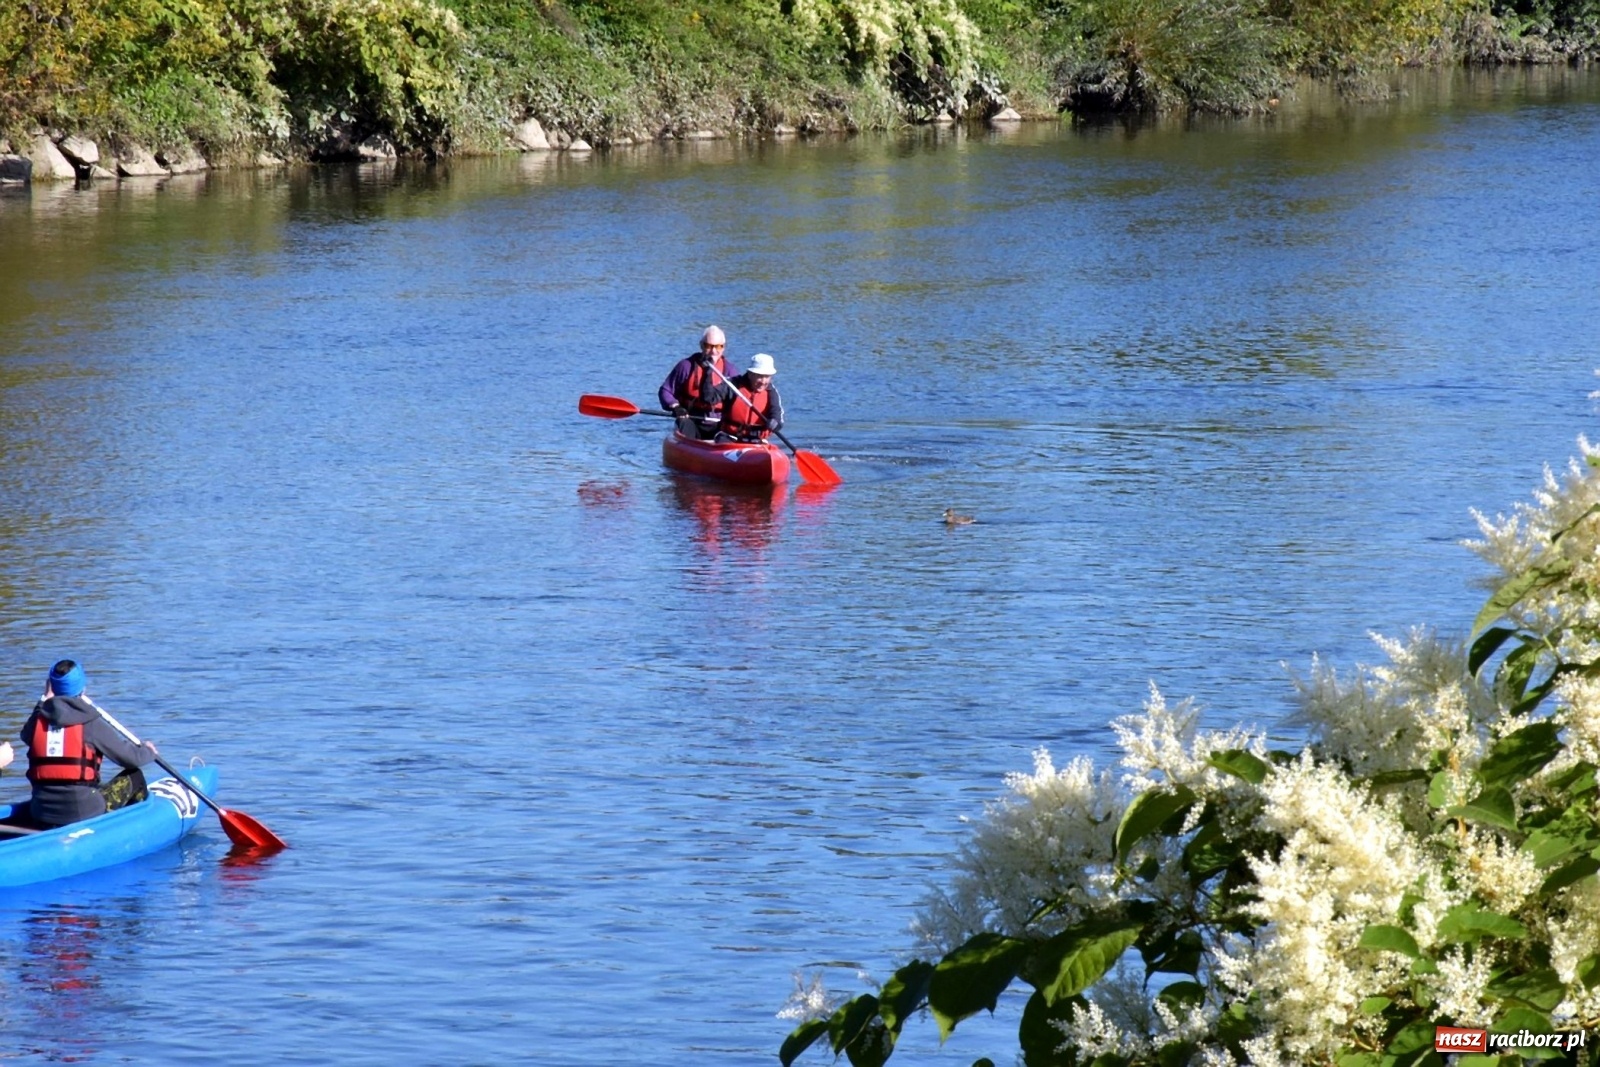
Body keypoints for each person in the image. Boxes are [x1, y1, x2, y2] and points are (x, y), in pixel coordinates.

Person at [19, 660, 158, 829]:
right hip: (83, 813)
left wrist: (43, 700)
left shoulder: (37, 722)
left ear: (51, 687)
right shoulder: (91, 722)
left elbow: (25, 735)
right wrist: (148, 751)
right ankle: (136, 827)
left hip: (41, 812)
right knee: (134, 775)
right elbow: (132, 759)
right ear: (83, 688)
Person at [658, 325, 740, 439]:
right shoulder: (686, 367)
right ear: (701, 346)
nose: (713, 351)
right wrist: (676, 407)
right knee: (684, 424)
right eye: (709, 346)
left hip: (719, 423)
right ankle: (687, 449)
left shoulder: (730, 371)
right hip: (691, 419)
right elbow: (665, 391)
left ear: (724, 347)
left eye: (718, 347)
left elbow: (740, 401)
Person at [714, 353, 785, 442]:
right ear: (750, 374)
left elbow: (777, 414)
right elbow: (710, 398)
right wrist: (708, 374)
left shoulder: (771, 392)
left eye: (767, 377)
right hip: (730, 437)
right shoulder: (733, 385)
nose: (763, 381)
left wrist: (775, 422)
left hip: (757, 440)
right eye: (760, 376)